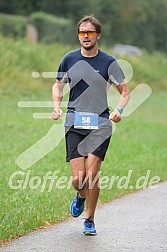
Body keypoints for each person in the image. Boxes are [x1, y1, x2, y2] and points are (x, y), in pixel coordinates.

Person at [52, 15, 129, 235]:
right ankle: (80, 194)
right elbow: (57, 86)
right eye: (82, 32)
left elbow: (124, 91)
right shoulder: (69, 59)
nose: (86, 36)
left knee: (92, 174)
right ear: (78, 35)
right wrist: (57, 106)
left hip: (100, 122)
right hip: (74, 122)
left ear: (98, 35)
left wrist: (118, 110)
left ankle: (89, 220)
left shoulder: (108, 62)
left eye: (90, 32)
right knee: (79, 179)